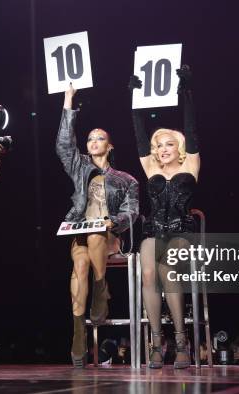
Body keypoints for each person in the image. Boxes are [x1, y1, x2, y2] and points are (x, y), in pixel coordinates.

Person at [57, 83, 139, 367]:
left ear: (109, 145)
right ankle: (79, 331)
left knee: (96, 235)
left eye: (99, 138)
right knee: (79, 265)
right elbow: (64, 145)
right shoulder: (79, 166)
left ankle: (101, 286)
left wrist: (112, 221)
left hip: (111, 236)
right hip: (81, 232)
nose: (92, 142)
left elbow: (132, 213)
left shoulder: (126, 180)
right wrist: (68, 101)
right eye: (90, 138)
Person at [129, 65, 200, 369]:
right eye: (159, 146)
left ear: (180, 147)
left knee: (168, 268)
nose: (162, 149)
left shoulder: (191, 164)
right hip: (153, 230)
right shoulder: (150, 168)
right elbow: (139, 133)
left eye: (169, 144)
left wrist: (186, 91)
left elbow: (192, 127)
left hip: (182, 231)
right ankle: (158, 343)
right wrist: (132, 96)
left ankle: (182, 342)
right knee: (148, 273)